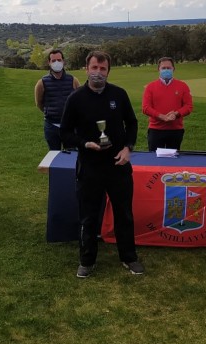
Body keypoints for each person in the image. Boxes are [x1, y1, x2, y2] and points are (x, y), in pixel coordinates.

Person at [60, 50, 143, 278]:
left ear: (108, 71)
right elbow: (65, 132)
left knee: (124, 214)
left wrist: (128, 148)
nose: (98, 73)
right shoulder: (75, 98)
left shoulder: (119, 94)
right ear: (86, 69)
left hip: (118, 165)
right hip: (90, 166)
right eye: (94, 68)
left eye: (103, 68)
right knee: (88, 215)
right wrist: (84, 143)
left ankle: (129, 257)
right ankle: (87, 260)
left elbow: (132, 124)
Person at [142, 57, 193, 151]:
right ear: (158, 69)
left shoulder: (182, 86)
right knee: (155, 161)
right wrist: (161, 116)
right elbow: (146, 108)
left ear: (173, 69)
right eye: (163, 68)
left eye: (168, 68)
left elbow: (188, 106)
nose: (166, 70)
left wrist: (176, 114)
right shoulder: (150, 87)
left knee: (173, 162)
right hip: (155, 130)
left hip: (175, 130)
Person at [34, 49, 80, 150]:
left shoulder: (73, 80)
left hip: (70, 127)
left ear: (63, 61)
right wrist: (51, 112)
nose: (57, 63)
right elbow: (39, 103)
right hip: (51, 126)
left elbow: (79, 102)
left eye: (59, 60)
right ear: (49, 63)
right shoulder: (41, 83)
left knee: (72, 156)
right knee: (54, 156)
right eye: (53, 61)